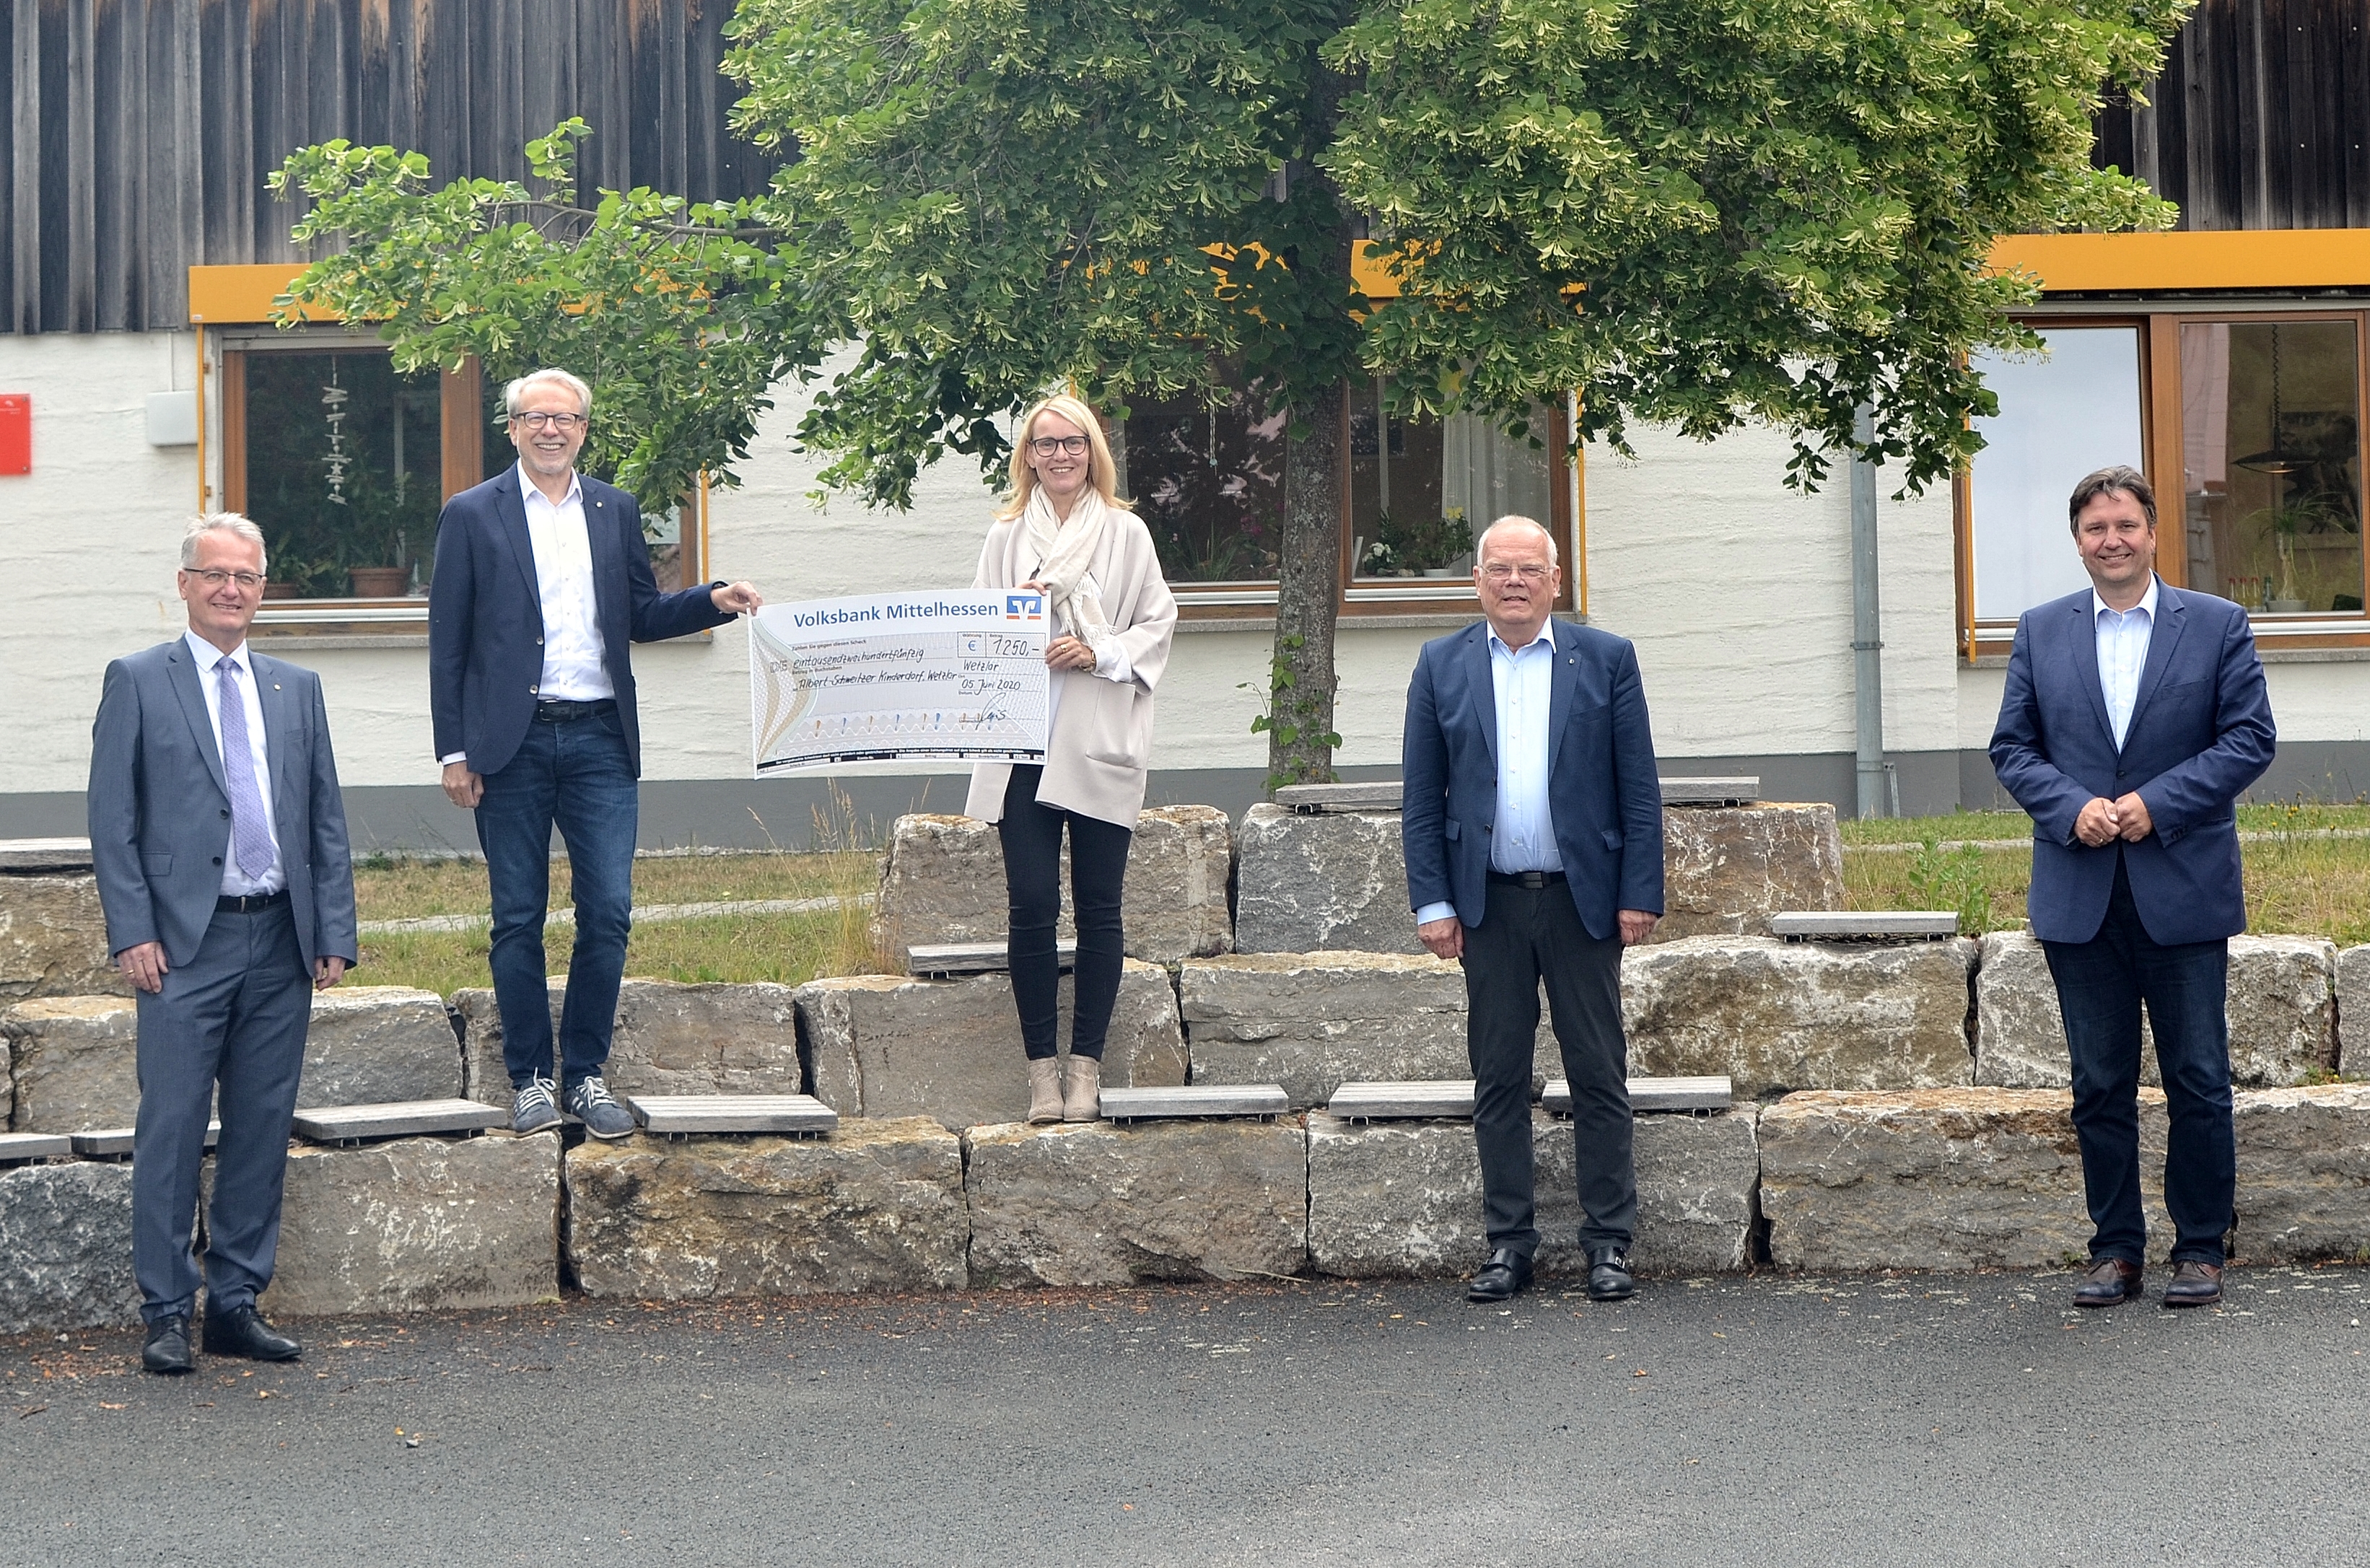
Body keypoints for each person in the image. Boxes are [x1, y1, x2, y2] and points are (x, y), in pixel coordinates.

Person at [430, 368, 764, 1138]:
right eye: (536, 417)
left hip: (600, 739)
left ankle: (583, 1074)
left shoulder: (614, 511)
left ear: (584, 429)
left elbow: (639, 614)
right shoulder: (471, 514)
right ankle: (531, 1079)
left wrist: (709, 599)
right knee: (517, 917)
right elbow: (448, 644)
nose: (552, 430)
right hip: (506, 746)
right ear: (510, 428)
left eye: (567, 418)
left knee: (608, 912)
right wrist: (453, 749)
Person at [1990, 465, 2274, 1310]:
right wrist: (2070, 807)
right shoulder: (2040, 631)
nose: (2109, 540)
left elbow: (2248, 738)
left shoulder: (2216, 624)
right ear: (2076, 541)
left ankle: (2198, 1249)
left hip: (2180, 883)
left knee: (2195, 1077)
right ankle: (2114, 1250)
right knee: (2097, 1085)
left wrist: (2157, 804)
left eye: (2123, 525)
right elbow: (2012, 748)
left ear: (2152, 532)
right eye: (2092, 529)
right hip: (2080, 890)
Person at [88, 514, 358, 1375]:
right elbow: (112, 820)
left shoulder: (295, 687)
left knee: (259, 1123)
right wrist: (132, 929)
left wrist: (333, 931)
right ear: (185, 584)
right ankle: (166, 1308)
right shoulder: (138, 679)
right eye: (214, 574)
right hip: (181, 945)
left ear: (261, 588)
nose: (231, 589)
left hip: (278, 936)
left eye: (245, 576)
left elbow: (323, 818)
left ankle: (235, 1301)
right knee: (170, 1125)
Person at [1402, 514, 1664, 1305]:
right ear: (1476, 580)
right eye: (1498, 569)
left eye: (1529, 569)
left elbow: (1637, 787)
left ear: (1555, 580)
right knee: (1497, 1077)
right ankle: (1507, 1244)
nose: (1513, 582)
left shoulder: (1605, 659)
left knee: (1597, 1072)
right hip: (1485, 906)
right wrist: (1432, 901)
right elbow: (1421, 798)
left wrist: (1636, 893)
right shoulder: (1440, 663)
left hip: (1582, 901)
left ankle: (1607, 1243)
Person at [964, 394, 1177, 1124]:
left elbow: (1158, 622)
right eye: (1045, 444)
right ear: (1026, 455)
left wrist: (1096, 651)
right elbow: (976, 631)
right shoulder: (1004, 538)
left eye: (1074, 443)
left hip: (1097, 735)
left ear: (1093, 452)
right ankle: (1040, 1075)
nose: (1059, 455)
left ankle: (1085, 1069)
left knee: (1099, 908)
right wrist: (1013, 627)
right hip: (1022, 744)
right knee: (1030, 903)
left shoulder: (1126, 533)